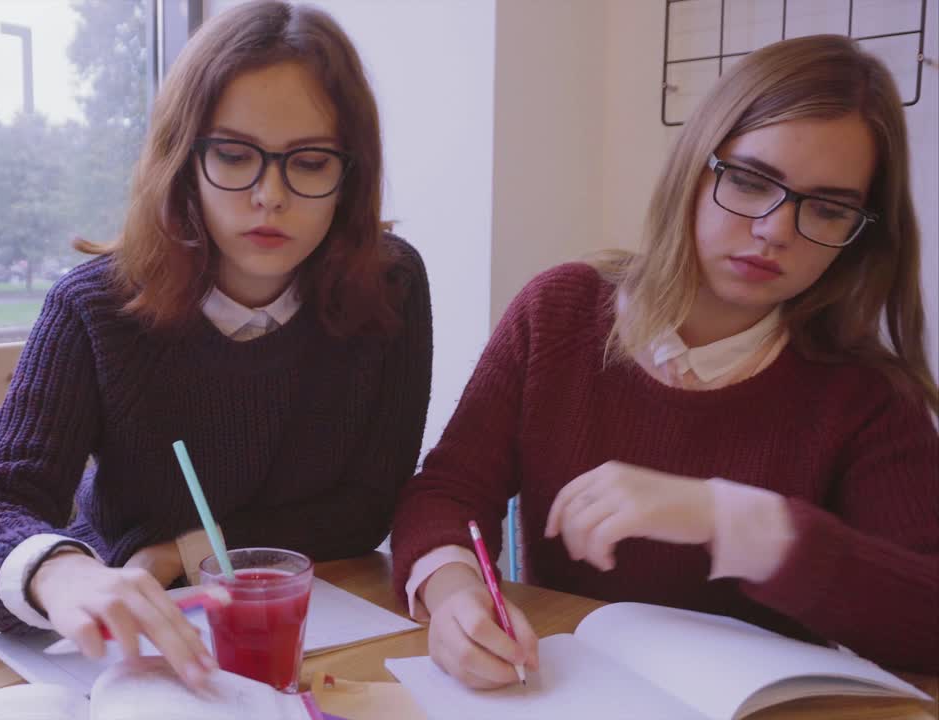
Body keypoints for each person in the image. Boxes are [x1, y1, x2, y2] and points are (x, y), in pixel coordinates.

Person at [391, 33, 939, 690]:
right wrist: (453, 592)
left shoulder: (868, 395)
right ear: (693, 168)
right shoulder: (559, 313)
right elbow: (447, 490)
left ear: (861, 232)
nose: (774, 230)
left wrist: (735, 521)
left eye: (827, 208)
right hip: (561, 693)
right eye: (749, 181)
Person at [0, 0, 432, 689]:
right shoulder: (95, 307)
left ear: (350, 174)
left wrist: (182, 549)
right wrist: (64, 571)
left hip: (320, 638)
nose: (269, 196)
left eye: (311, 161)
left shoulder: (390, 287)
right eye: (233, 154)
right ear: (184, 159)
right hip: (135, 647)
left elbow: (366, 507)